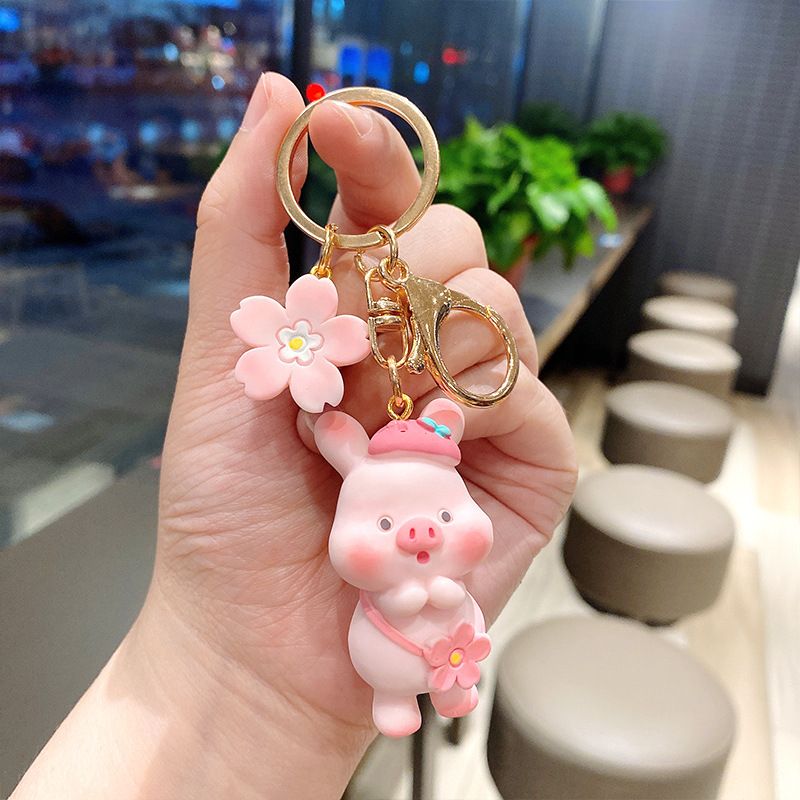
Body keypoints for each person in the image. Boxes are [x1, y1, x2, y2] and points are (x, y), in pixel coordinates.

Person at [11, 73, 576, 800]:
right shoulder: (362, 499)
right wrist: (227, 675)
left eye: (440, 515)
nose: (418, 534)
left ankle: (431, 683)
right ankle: (400, 692)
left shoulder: (427, 506)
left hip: (438, 643)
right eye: (385, 523)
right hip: (385, 648)